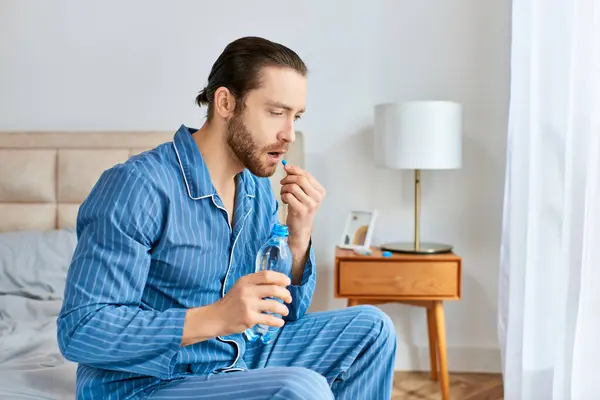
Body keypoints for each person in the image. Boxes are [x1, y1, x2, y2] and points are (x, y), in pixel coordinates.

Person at [57, 36, 396, 399]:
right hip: (147, 384)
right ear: (225, 103)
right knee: (301, 388)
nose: (289, 134)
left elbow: (281, 316)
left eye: (295, 116)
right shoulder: (137, 186)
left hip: (236, 356)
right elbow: (81, 330)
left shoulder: (254, 187)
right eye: (275, 112)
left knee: (372, 330)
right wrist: (218, 316)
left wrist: (298, 237)